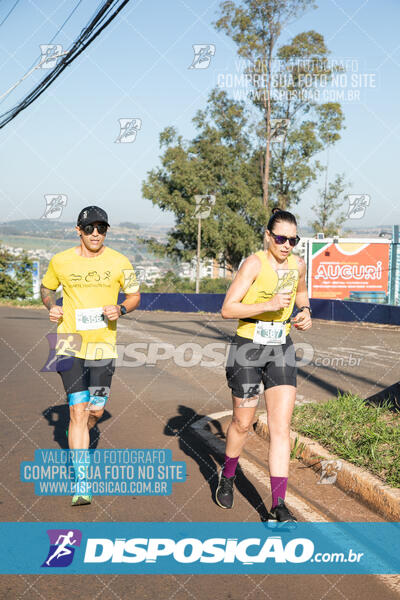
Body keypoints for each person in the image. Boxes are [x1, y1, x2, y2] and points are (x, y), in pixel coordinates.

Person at [217, 207, 312, 525]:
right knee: (243, 423)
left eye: (293, 240)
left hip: (280, 348)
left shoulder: (298, 264)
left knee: (281, 428)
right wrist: (267, 306)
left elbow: (300, 294)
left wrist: (305, 311)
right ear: (268, 236)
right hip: (247, 348)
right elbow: (228, 309)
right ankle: (228, 476)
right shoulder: (255, 263)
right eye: (281, 238)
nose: (287, 245)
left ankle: (279, 505)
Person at [40, 206, 140, 506]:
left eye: (101, 228)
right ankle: (82, 482)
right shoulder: (61, 261)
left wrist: (121, 308)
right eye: (89, 228)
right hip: (69, 343)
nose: (95, 233)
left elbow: (134, 295)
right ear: (78, 230)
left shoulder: (119, 261)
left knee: (95, 411)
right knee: (77, 411)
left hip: (103, 346)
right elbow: (46, 290)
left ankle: (84, 426)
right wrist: (51, 306)